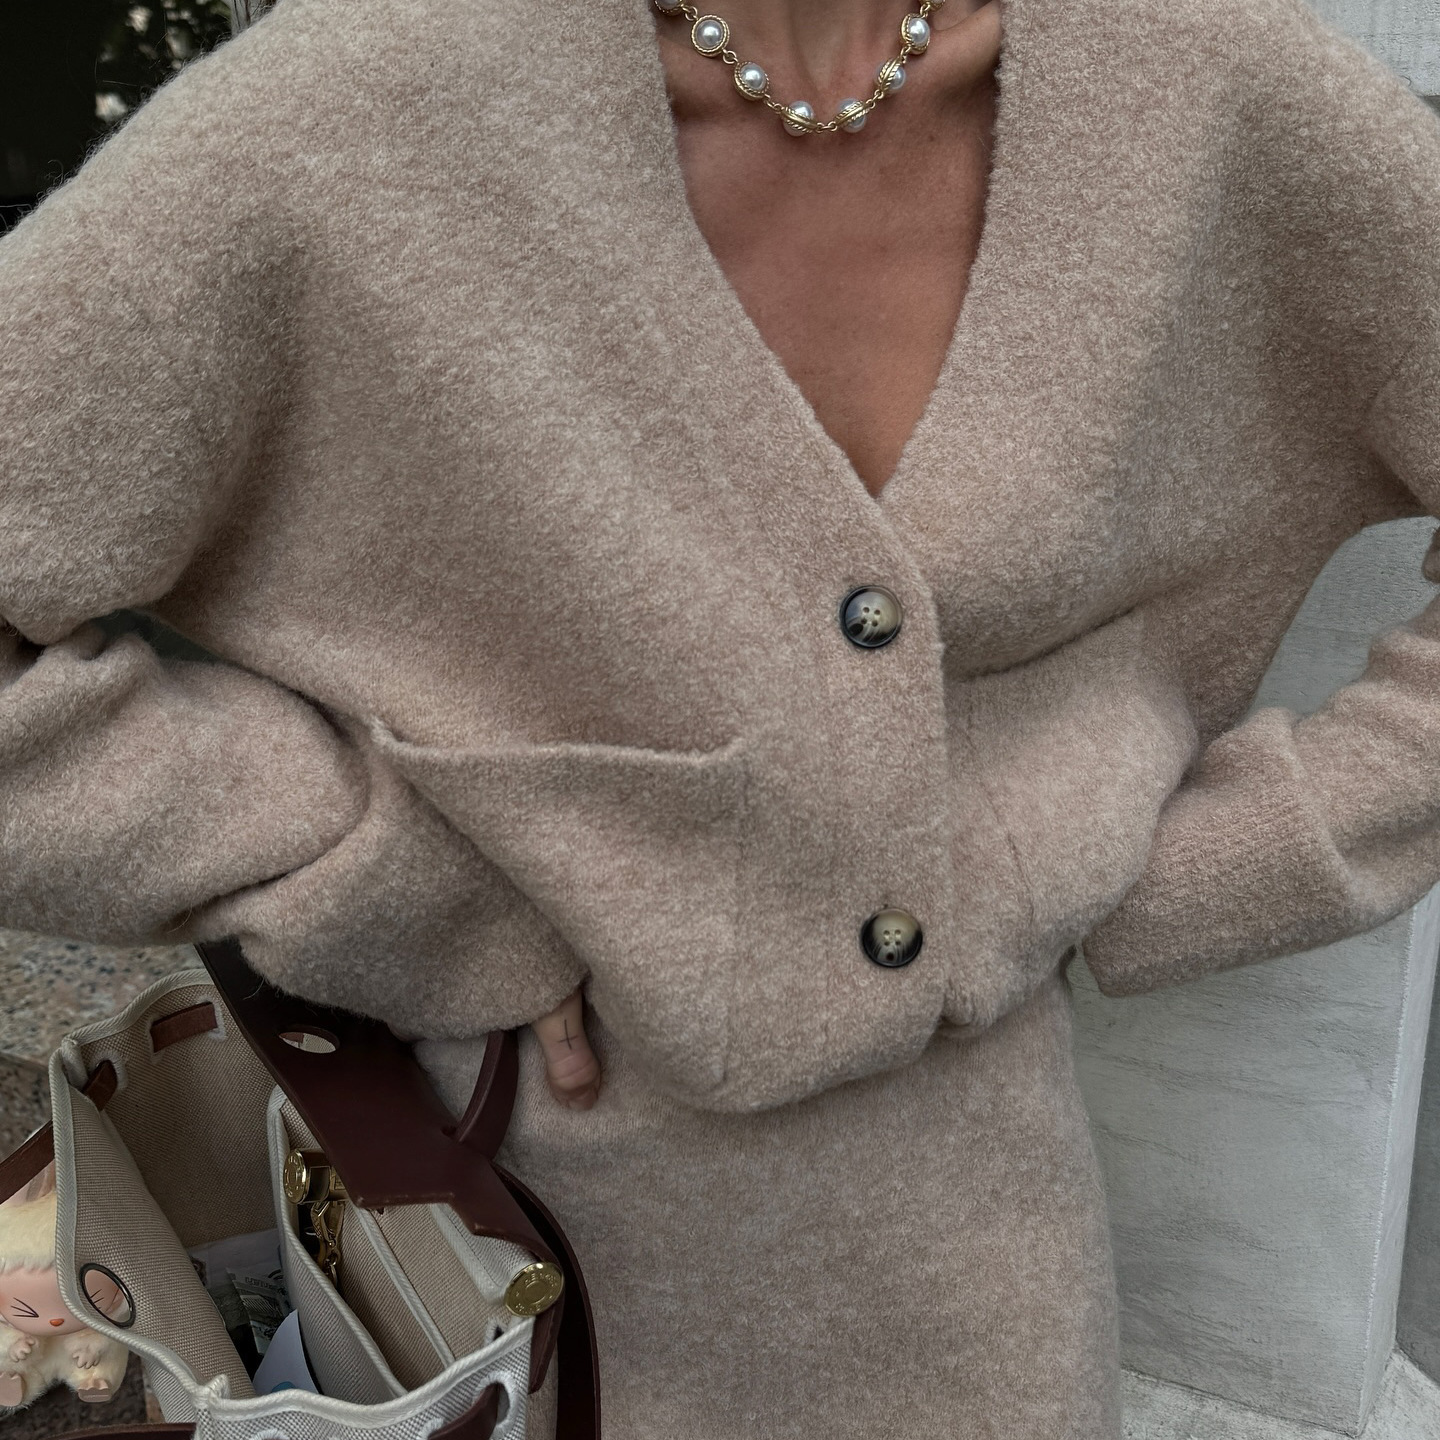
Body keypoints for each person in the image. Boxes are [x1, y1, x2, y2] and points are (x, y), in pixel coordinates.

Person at [4, 0, 1440, 1432]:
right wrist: (371, 877)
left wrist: (1223, 856)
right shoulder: (357, 109)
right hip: (486, 1243)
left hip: (978, 1259)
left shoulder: (1200, 92)